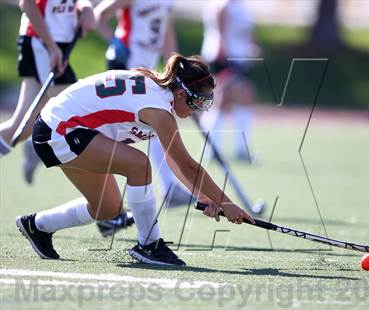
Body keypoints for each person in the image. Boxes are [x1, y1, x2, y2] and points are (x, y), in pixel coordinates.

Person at [15, 54, 255, 266]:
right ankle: (150, 244)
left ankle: (37, 225)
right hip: (60, 129)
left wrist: (206, 197)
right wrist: (226, 203)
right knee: (139, 164)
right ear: (181, 93)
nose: (199, 109)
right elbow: (187, 166)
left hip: (63, 128)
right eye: (198, 102)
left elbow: (176, 163)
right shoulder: (160, 110)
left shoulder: (160, 93)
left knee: (106, 208)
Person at [93, 0, 193, 237]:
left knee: (156, 127)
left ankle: (168, 188)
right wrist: (115, 42)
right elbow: (98, 16)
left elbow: (167, 35)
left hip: (145, 70)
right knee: (111, 136)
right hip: (125, 67)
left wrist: (178, 72)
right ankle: (107, 210)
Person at [0, 0, 95, 183]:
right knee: (76, 115)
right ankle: (108, 205)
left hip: (55, 45)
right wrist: (51, 47)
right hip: (41, 43)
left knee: (23, 126)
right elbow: (27, 4)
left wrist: (86, 8)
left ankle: (36, 141)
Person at [201, 0, 260, 161]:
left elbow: (246, 32)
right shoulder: (223, 5)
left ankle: (238, 149)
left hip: (240, 60)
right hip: (226, 59)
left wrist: (252, 47)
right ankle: (213, 149)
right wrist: (223, 56)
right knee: (222, 99)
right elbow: (219, 32)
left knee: (242, 99)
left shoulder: (241, 6)